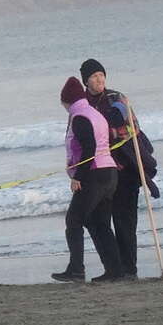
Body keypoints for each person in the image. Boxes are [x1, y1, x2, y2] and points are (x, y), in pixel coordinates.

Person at [81, 57, 158, 279]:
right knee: (98, 220)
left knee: (125, 221)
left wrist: (101, 131)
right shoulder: (83, 104)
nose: (99, 80)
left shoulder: (117, 98)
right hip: (99, 172)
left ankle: (129, 269)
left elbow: (130, 128)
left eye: (102, 76)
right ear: (86, 81)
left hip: (125, 170)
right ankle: (113, 268)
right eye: (95, 77)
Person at [52, 75, 124, 282]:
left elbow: (89, 148)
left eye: (64, 103)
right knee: (99, 223)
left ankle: (76, 269)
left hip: (94, 174)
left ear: (68, 101)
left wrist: (78, 177)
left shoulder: (80, 117)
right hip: (109, 172)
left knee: (73, 220)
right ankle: (115, 271)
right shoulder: (95, 114)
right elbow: (108, 140)